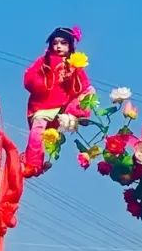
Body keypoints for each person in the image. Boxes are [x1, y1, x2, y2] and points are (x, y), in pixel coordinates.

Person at [23, 26, 93, 177]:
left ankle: (36, 163)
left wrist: (81, 109)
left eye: (63, 43)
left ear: (70, 46)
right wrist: (41, 84)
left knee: (50, 136)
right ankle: (33, 164)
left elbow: (85, 87)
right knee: (37, 132)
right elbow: (29, 78)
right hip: (43, 106)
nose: (58, 46)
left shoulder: (74, 64)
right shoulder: (44, 61)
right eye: (55, 43)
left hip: (63, 107)